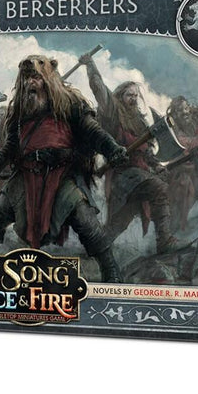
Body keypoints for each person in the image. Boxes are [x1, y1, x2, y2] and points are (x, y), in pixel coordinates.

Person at [0, 55, 128, 282]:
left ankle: (110, 268)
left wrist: (112, 148)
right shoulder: (20, 111)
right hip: (26, 176)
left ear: (49, 78)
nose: (31, 82)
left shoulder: (72, 104)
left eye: (36, 78)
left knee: (85, 220)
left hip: (61, 175)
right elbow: (10, 148)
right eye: (27, 78)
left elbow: (92, 131)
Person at [79, 54, 181, 253]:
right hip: (124, 174)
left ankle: (97, 246)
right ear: (120, 96)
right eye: (129, 95)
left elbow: (147, 152)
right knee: (159, 188)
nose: (133, 99)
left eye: (135, 95)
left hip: (139, 174)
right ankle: (164, 241)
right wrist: (91, 65)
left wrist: (156, 165)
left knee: (121, 221)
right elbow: (99, 89)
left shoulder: (140, 122)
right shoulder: (113, 112)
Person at [166, 96, 198, 231]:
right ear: (174, 114)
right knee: (183, 187)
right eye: (179, 110)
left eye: (185, 108)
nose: (184, 112)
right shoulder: (172, 129)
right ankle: (175, 229)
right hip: (179, 173)